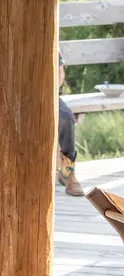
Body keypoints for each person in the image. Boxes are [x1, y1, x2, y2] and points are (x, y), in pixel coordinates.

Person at [57, 48, 83, 196]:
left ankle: (68, 174)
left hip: (47, 93)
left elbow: (60, 72)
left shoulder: (52, 42)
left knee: (66, 117)